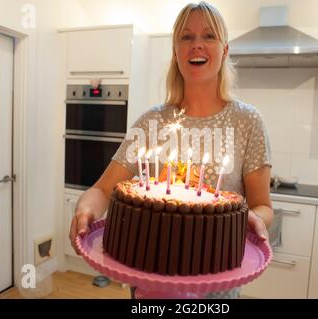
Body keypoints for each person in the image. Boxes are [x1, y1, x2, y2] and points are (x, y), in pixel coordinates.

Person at [69, 1, 273, 299]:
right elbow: (102, 190)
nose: (196, 46)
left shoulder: (248, 121)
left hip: (218, 285)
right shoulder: (152, 121)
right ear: (176, 51)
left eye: (208, 36)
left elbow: (263, 207)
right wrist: (85, 209)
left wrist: (253, 220)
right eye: (186, 37)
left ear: (225, 49)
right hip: (152, 281)